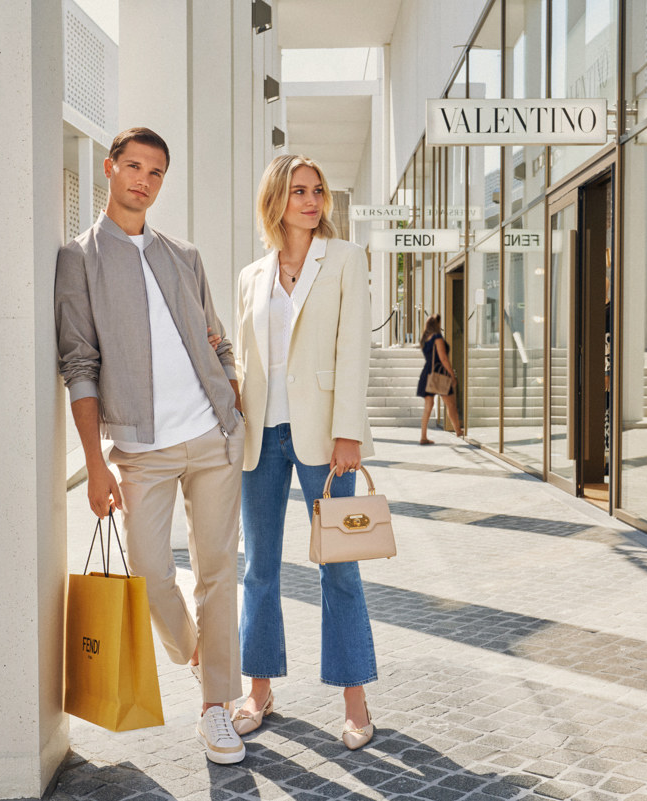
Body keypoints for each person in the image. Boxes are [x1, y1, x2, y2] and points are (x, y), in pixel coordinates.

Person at [54, 127, 247, 765]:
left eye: (156, 172)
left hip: (213, 438)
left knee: (220, 571)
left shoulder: (183, 254)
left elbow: (216, 337)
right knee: (149, 570)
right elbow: (79, 364)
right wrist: (93, 464)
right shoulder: (79, 259)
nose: (143, 180)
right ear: (109, 169)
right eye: (133, 166)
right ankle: (197, 653)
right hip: (142, 452)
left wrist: (233, 391)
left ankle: (216, 704)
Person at [230, 154, 378, 750]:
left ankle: (355, 698)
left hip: (324, 436)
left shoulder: (344, 259)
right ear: (276, 200)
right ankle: (259, 689)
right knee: (259, 566)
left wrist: (350, 431)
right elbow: (244, 362)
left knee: (338, 563)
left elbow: (352, 353)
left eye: (318, 190)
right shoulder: (251, 276)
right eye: (299, 191)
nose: (312, 201)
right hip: (261, 435)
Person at [417, 314, 463, 443]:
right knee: (451, 404)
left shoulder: (425, 339)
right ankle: (458, 430)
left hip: (427, 374)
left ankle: (423, 436)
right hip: (439, 373)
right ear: (437, 324)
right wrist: (452, 375)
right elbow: (443, 358)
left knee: (428, 406)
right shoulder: (437, 338)